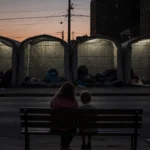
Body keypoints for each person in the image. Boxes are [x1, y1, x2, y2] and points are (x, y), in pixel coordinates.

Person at [50, 82, 78, 150]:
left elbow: (51, 106)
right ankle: (66, 144)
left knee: (61, 122)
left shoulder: (55, 99)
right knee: (72, 126)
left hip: (56, 127)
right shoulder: (74, 101)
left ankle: (64, 144)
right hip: (69, 127)